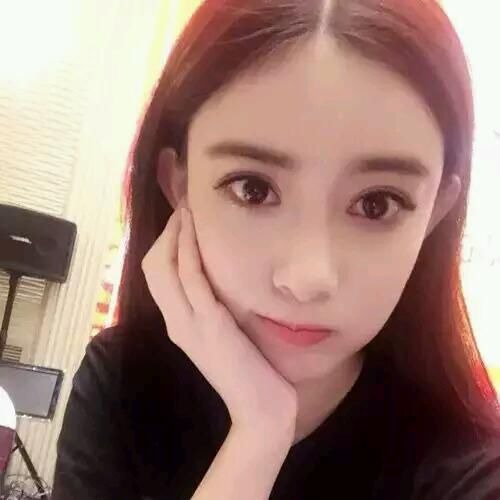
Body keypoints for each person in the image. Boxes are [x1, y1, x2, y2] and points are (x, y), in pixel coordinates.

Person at [51, 0, 500, 498]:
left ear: (435, 212)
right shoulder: (123, 384)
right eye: (253, 189)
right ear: (179, 185)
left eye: (377, 204)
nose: (307, 278)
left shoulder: (474, 472)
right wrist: (259, 434)